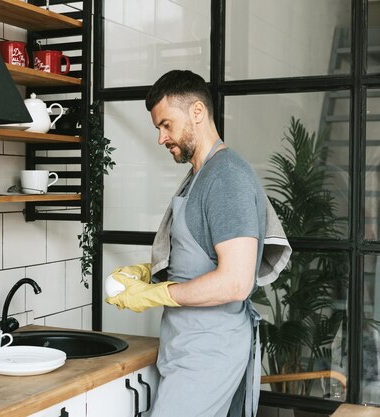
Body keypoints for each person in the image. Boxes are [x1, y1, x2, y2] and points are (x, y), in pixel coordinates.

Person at [105, 70, 290, 417]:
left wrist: (154, 294)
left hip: (209, 353)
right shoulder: (200, 175)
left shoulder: (225, 177)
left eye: (166, 125)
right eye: (158, 128)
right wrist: (148, 273)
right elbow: (201, 255)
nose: (161, 138)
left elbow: (235, 282)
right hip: (189, 347)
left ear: (197, 113)